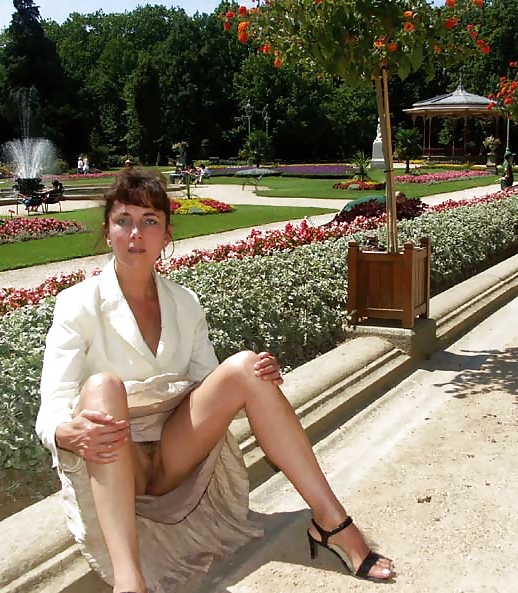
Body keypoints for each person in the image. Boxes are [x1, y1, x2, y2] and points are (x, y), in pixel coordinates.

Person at [35, 169, 394, 593]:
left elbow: (207, 385)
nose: (135, 233)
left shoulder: (184, 303)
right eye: (123, 220)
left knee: (246, 366)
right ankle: (129, 582)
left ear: (166, 235)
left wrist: (256, 379)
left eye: (149, 221)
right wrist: (64, 431)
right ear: (107, 230)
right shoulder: (77, 304)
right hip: (115, 459)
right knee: (101, 388)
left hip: (173, 457)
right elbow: (54, 401)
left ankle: (332, 522)